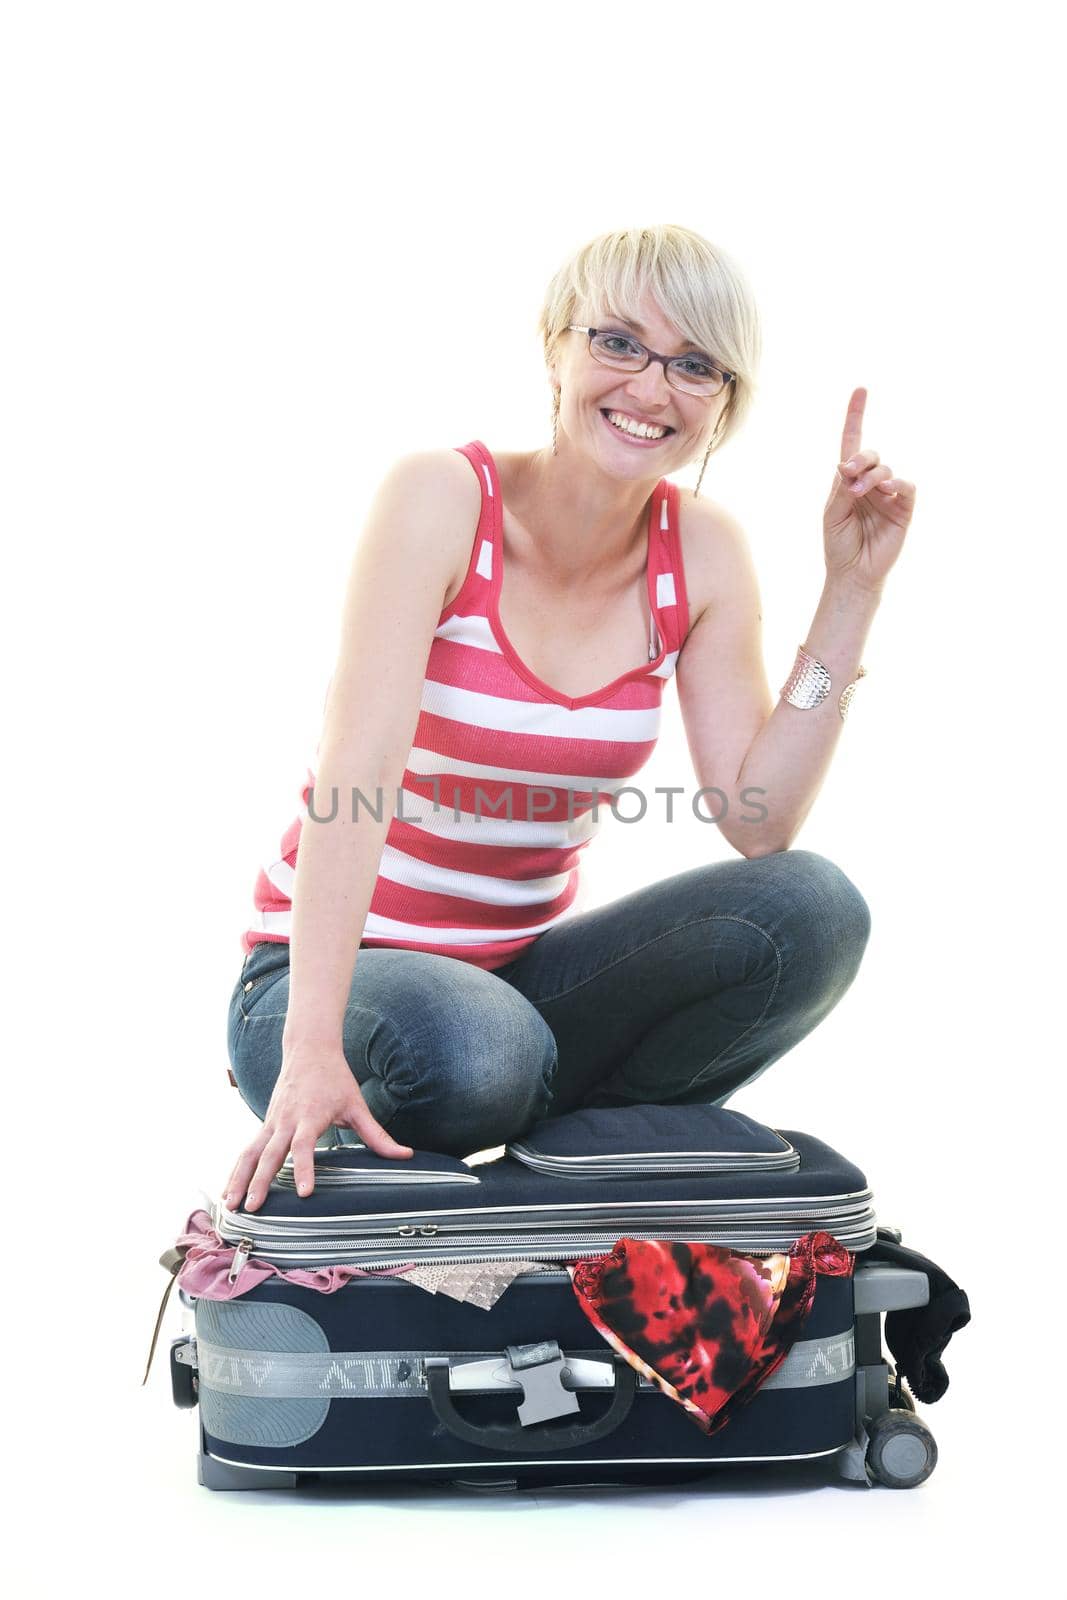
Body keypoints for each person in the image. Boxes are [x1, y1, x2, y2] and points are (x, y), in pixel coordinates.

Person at [222, 223, 915, 1215]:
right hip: (320, 985)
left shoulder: (704, 553)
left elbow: (756, 820)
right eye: (617, 342)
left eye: (692, 365)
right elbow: (354, 772)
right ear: (556, 346)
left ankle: (573, 1167)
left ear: (721, 405)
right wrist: (309, 1046)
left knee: (811, 909)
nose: (647, 387)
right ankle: (526, 1116)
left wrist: (849, 593)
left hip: (513, 987)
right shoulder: (441, 498)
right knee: (474, 1050)